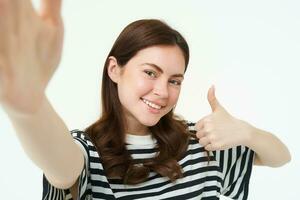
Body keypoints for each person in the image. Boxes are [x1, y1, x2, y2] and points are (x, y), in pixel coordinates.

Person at [0, 0, 291, 200]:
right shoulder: (89, 151)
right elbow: (61, 167)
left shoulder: (199, 142)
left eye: (174, 80)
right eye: (151, 72)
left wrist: (247, 133)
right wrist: (30, 106)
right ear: (114, 69)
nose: (163, 91)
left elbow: (280, 157)